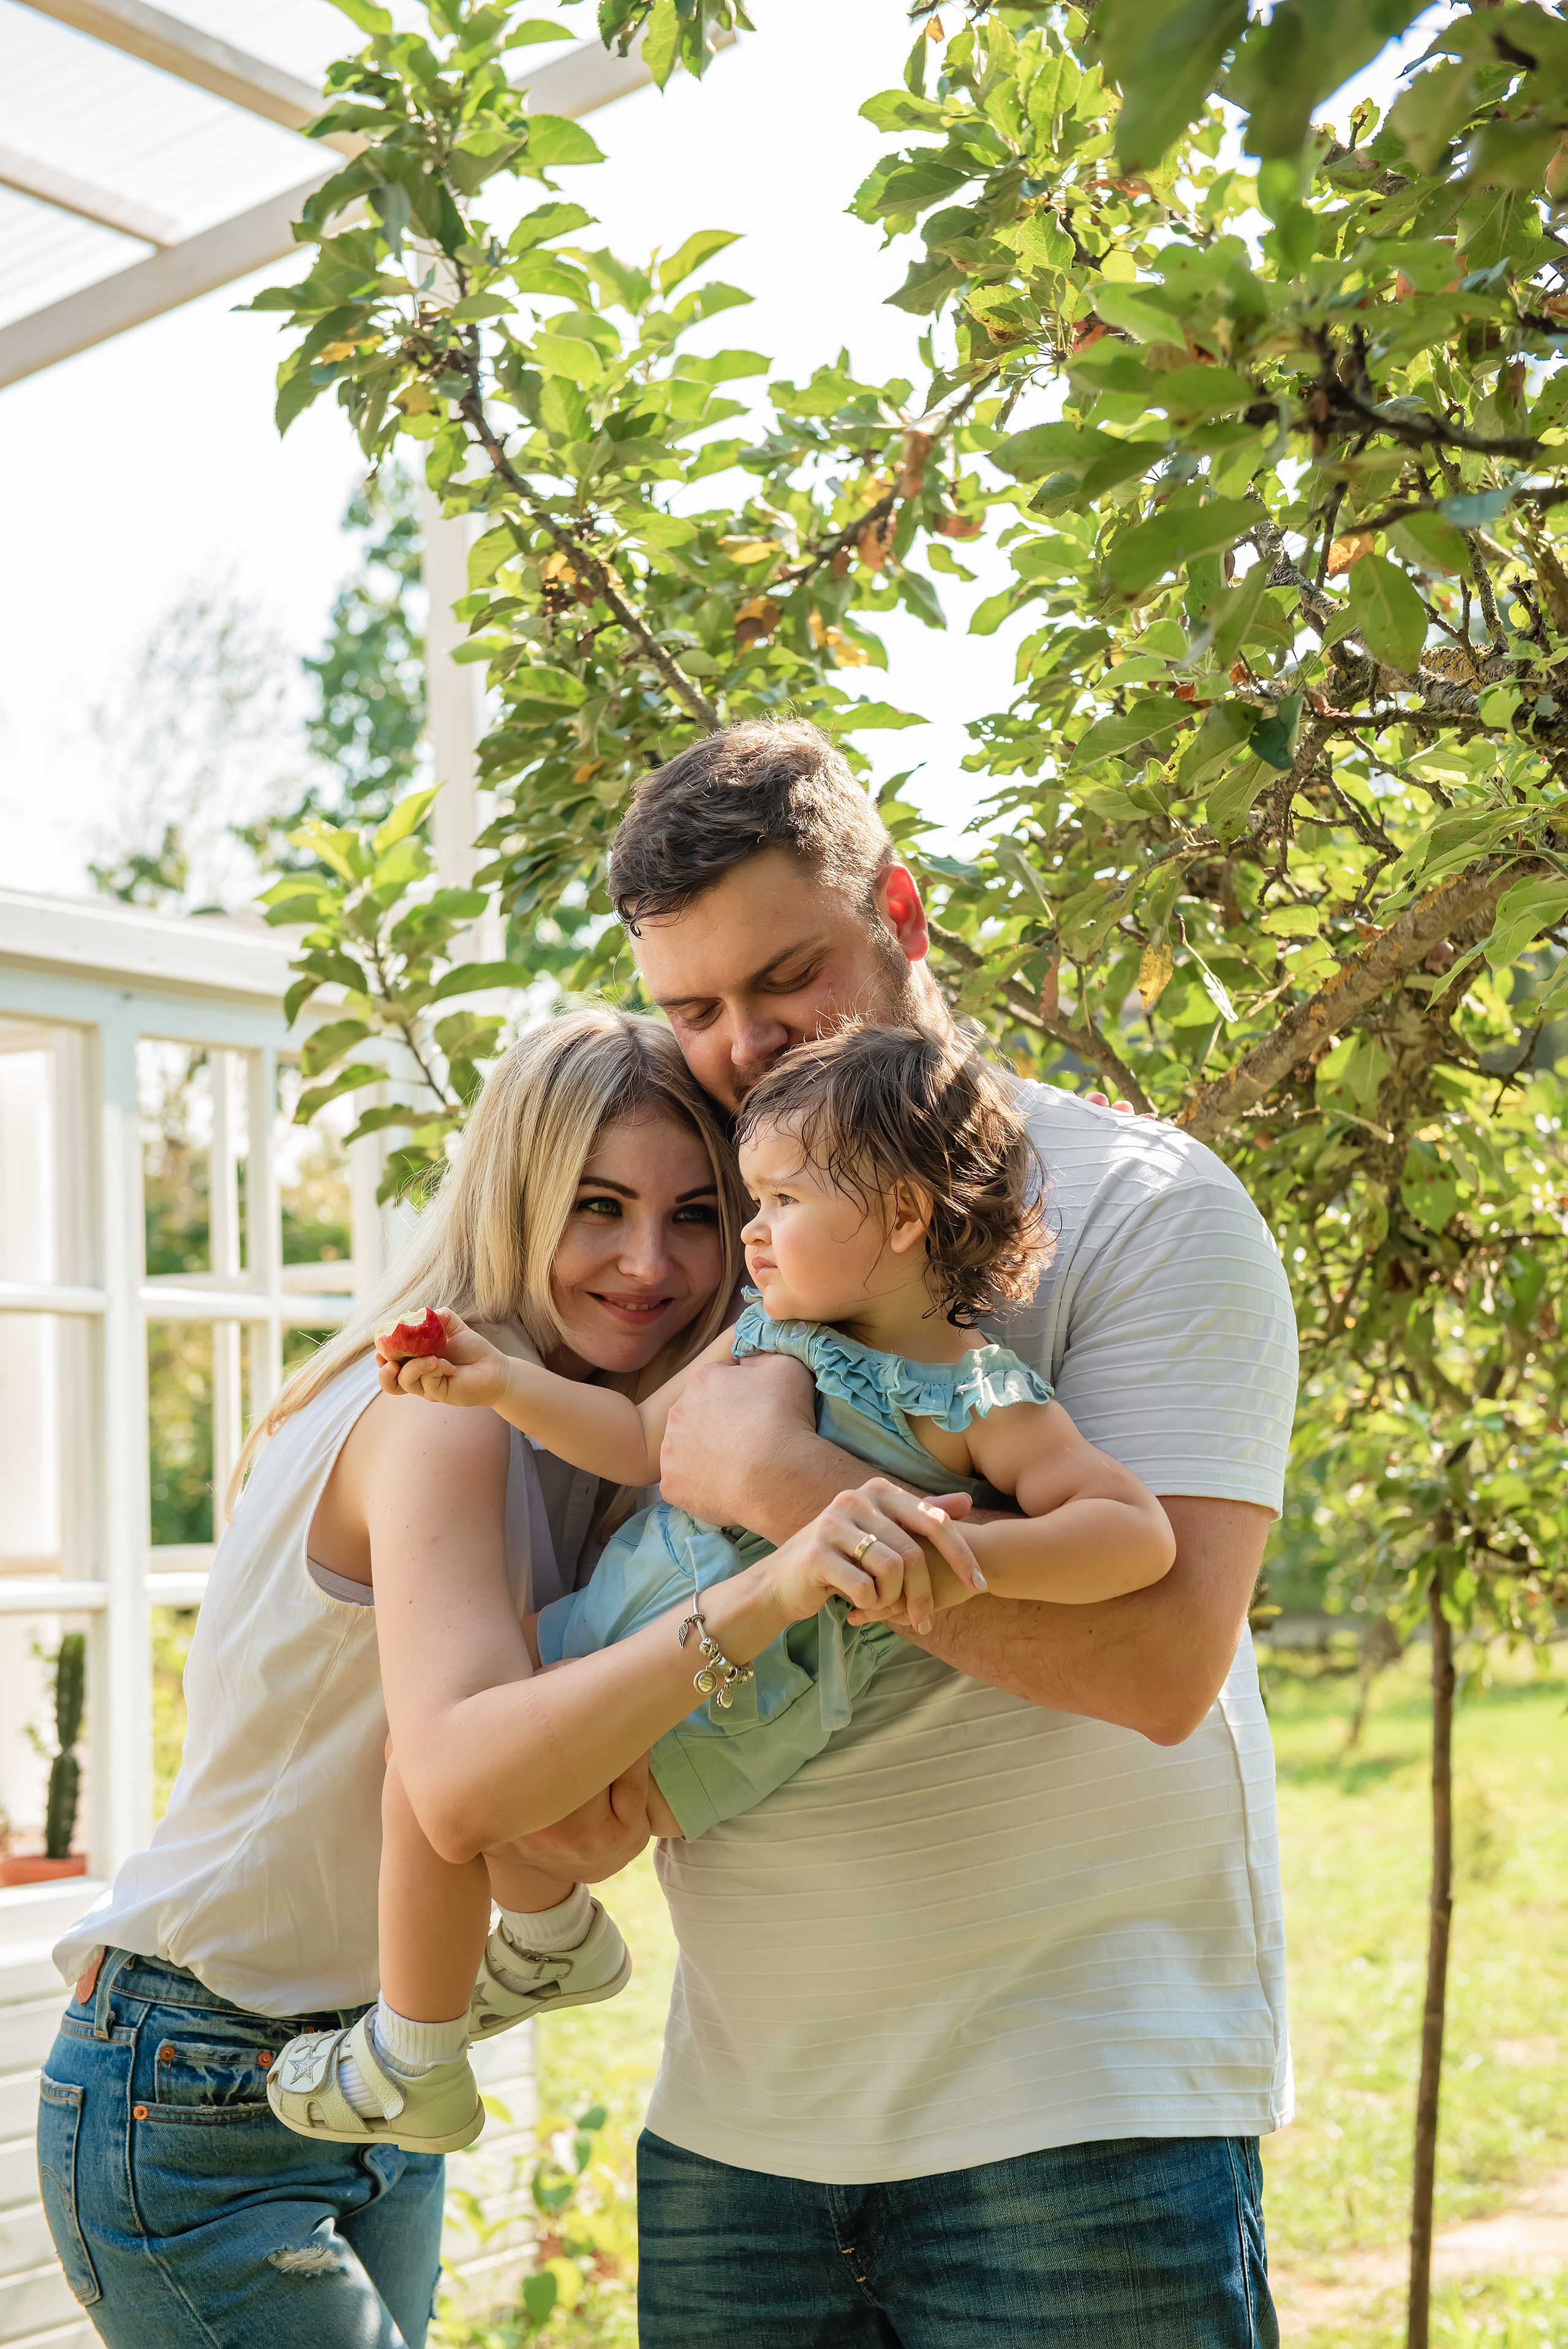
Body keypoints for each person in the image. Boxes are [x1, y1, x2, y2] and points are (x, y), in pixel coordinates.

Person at [535, 719, 1298, 2347]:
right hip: (741, 2128)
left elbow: (1167, 1662)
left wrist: (786, 1494)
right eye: (692, 1008)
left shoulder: (1147, 1211)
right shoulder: (722, 1235)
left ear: (903, 909)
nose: (737, 1043)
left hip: (1077, 2126)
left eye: (786, 975)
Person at [38, 1008, 954, 2347]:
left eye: (697, 1214)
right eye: (598, 1207)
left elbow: (546, 1792)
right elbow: (458, 1786)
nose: (650, 1263)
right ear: (515, 1193)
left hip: (374, 2057)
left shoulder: (569, 1422)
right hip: (200, 2084)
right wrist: (774, 1587)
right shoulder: (439, 1415)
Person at [265, 1023, 1178, 2147]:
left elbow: (1133, 1533)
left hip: (741, 1692)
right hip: (620, 1628)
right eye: (746, 1203)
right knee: (476, 1770)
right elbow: (633, 1439)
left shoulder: (982, 1395)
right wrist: (503, 1384)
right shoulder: (766, 1331)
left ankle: (413, 2056)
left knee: (435, 1775)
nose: (752, 1232)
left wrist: (959, 1554)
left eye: (782, 1201)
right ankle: (540, 1951)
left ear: (902, 1215)